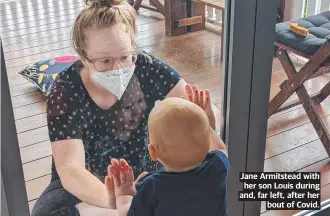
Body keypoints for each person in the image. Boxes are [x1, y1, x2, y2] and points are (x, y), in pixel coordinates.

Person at [31, 0, 222, 215]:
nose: (118, 68)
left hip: (147, 174)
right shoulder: (65, 90)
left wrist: (206, 116)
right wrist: (117, 200)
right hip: (87, 184)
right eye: (105, 61)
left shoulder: (147, 68)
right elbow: (70, 168)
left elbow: (200, 113)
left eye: (124, 56)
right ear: (83, 57)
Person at [106, 94, 229, 216]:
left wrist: (124, 195)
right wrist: (205, 121)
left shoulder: (152, 187)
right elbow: (220, 147)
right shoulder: (216, 167)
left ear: (153, 152)